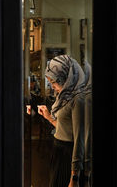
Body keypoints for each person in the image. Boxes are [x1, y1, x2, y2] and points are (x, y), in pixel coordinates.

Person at [37, 55, 88, 187]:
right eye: (50, 82)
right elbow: (64, 128)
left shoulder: (78, 99)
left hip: (68, 155)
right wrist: (48, 116)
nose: (52, 86)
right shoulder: (64, 96)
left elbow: (79, 139)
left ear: (66, 78)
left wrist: (74, 177)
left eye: (54, 82)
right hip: (58, 151)